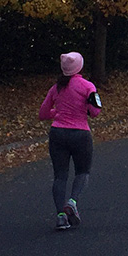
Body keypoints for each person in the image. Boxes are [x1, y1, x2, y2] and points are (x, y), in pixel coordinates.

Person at [38, 51, 101, 229]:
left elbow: (43, 114)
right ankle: (72, 201)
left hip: (58, 133)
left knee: (60, 176)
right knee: (82, 172)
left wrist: (56, 113)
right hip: (80, 133)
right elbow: (95, 112)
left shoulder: (56, 87)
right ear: (79, 67)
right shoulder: (87, 86)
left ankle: (60, 216)